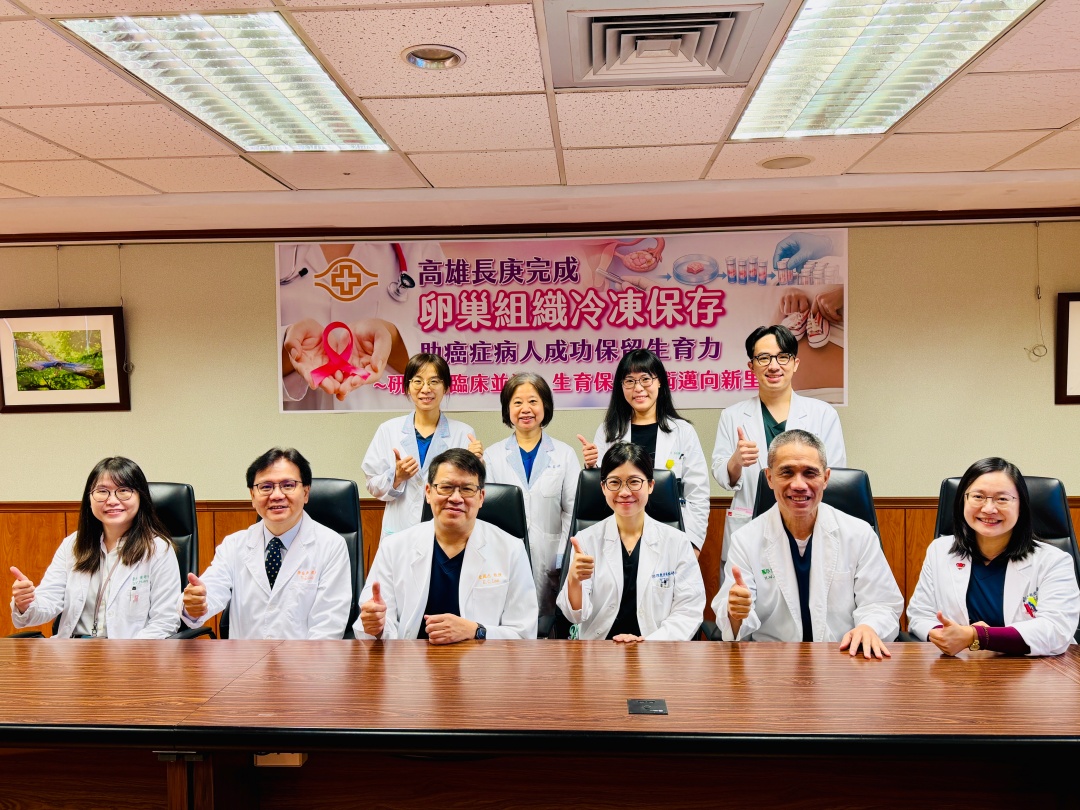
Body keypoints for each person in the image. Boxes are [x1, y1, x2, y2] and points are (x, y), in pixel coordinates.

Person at [714, 430, 902, 658]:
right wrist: (736, 613)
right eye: (787, 472)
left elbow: (881, 604)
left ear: (826, 478)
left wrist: (868, 627)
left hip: (844, 659)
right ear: (769, 478)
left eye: (810, 473)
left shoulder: (859, 534)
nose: (799, 485)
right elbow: (733, 624)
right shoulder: (746, 540)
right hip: (773, 663)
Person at [356, 448, 538, 642]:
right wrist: (376, 627)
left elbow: (524, 634)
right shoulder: (393, 548)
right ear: (428, 492)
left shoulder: (511, 550)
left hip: (482, 659)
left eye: (467, 489)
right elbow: (376, 624)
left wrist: (476, 631)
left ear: (481, 497)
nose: (456, 498)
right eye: (446, 487)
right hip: (411, 658)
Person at [907, 458, 1080, 657]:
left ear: (1021, 506)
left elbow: (1056, 630)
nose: (989, 509)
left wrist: (977, 636)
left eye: (1002, 499)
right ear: (963, 500)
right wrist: (948, 636)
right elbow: (921, 613)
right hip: (961, 667)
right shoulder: (940, 551)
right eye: (978, 497)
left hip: (1036, 670)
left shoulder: (1054, 561)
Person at [712, 325, 846, 580]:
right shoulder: (732, 415)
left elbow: (834, 473)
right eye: (764, 358)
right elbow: (722, 476)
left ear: (795, 363)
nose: (774, 366)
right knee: (745, 595)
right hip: (750, 523)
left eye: (782, 357)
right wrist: (736, 461)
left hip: (806, 521)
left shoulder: (823, 414)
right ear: (751, 366)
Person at [180, 448, 351, 639]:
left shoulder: (331, 546)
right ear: (253, 496)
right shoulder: (234, 545)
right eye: (266, 487)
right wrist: (194, 605)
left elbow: (328, 626)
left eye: (288, 485)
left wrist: (302, 660)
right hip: (246, 657)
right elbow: (210, 592)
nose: (276, 495)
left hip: (307, 657)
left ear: (305, 492)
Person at [10, 457, 179, 639]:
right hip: (72, 650)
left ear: (141, 497)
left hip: (130, 651)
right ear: (89, 498)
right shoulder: (73, 545)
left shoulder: (158, 549)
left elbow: (165, 621)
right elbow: (48, 602)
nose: (112, 500)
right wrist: (26, 604)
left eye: (124, 491)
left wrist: (125, 653)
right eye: (102, 491)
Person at [559, 443, 704, 642]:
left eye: (634, 482)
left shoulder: (677, 542)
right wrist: (574, 581)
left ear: (651, 485)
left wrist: (650, 642)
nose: (624, 492)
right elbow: (575, 616)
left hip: (657, 648)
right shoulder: (585, 540)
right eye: (614, 482)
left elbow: (689, 611)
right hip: (600, 649)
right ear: (603, 487)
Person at [279, 241, 446, 411]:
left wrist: (393, 340)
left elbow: (452, 356)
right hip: (293, 422)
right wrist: (290, 348)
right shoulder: (272, 245)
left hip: (392, 418)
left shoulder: (419, 245)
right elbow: (260, 350)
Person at [578, 349, 709, 554]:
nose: (638, 388)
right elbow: (604, 487)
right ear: (621, 386)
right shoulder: (608, 431)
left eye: (645, 379)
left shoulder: (683, 431)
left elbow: (698, 493)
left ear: (659, 382)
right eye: (629, 381)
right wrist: (591, 466)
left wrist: (693, 544)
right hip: (621, 532)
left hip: (672, 535)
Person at [484, 373, 579, 615]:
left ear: (545, 405)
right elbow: (487, 516)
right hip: (504, 557)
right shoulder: (492, 456)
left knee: (549, 622)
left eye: (533, 401)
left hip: (552, 557)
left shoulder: (565, 454)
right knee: (508, 621)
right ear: (507, 409)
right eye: (517, 402)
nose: (525, 409)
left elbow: (572, 512)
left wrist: (562, 557)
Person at [362, 353, 482, 541]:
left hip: (446, 533)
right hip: (399, 533)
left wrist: (477, 465)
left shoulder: (463, 433)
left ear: (446, 387)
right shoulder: (388, 430)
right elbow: (372, 485)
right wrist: (396, 477)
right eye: (418, 381)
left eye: (434, 381)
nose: (426, 389)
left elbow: (472, 490)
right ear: (408, 387)